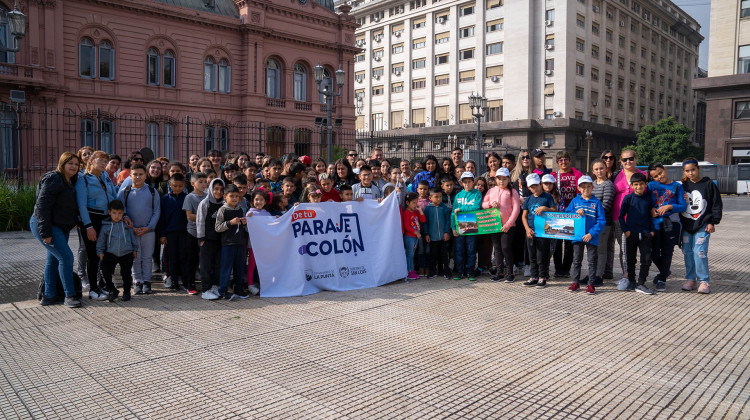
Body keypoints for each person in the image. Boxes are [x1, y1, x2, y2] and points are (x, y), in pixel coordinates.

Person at [31, 152, 82, 308]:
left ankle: (49, 295)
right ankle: (69, 295)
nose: (73, 166)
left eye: (76, 164)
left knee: (53, 259)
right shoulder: (54, 178)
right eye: (70, 163)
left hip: (60, 226)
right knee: (66, 257)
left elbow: (66, 205)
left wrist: (74, 221)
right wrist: (45, 232)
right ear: (62, 164)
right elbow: (42, 206)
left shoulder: (70, 180)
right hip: (47, 225)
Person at [76, 150, 119, 301]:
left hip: (106, 218)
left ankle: (104, 284)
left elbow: (113, 195)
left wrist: (120, 214)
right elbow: (81, 205)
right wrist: (88, 226)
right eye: (100, 160)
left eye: (105, 161)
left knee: (105, 254)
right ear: (91, 161)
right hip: (91, 218)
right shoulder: (83, 178)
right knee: (93, 255)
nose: (104, 164)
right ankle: (93, 288)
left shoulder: (105, 176)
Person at [679, 158, 723, 294]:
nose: (690, 173)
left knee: (700, 252)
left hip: (703, 225)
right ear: (684, 172)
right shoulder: (682, 186)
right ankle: (691, 279)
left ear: (698, 168)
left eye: (693, 169)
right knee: (687, 253)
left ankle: (704, 281)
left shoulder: (709, 185)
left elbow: (716, 204)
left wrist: (713, 221)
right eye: (687, 171)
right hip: (686, 227)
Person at [118, 163, 160, 295]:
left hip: (149, 232)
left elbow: (156, 211)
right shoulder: (125, 192)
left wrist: (148, 227)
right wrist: (131, 226)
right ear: (130, 176)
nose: (138, 177)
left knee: (147, 257)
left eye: (140, 174)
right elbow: (121, 210)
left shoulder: (152, 192)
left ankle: (147, 281)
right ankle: (137, 281)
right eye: (135, 174)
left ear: (145, 175)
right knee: (135, 256)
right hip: (131, 231)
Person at [647, 162, 687, 292]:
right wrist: (651, 209)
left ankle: (662, 279)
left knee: (667, 252)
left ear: (665, 169)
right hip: (655, 224)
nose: (659, 177)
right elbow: (646, 202)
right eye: (655, 176)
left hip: (672, 224)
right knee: (652, 253)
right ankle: (665, 271)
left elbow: (683, 206)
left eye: (660, 173)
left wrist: (670, 206)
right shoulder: (651, 185)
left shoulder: (677, 186)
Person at [611, 149, 647, 289]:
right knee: (623, 249)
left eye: (631, 158)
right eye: (624, 160)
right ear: (620, 161)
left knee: (640, 249)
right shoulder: (616, 175)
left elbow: (653, 193)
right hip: (619, 218)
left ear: (636, 159)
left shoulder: (643, 175)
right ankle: (626, 276)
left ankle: (639, 276)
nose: (628, 162)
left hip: (638, 219)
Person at [565, 176, 606, 295]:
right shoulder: (575, 201)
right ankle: (575, 282)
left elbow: (601, 221)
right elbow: (567, 215)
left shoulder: (597, 203)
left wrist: (591, 234)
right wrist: (575, 212)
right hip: (577, 236)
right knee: (577, 260)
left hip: (591, 237)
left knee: (592, 261)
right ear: (579, 188)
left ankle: (591, 284)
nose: (586, 189)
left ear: (592, 187)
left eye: (589, 186)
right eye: (583, 187)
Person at [618, 172, 655, 294]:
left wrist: (652, 231)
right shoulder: (628, 198)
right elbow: (621, 216)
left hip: (645, 233)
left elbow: (651, 216)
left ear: (646, 184)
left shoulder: (649, 198)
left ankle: (641, 283)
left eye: (641, 184)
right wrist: (626, 230)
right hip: (631, 233)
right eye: (636, 184)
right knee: (630, 259)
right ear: (632, 185)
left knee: (646, 259)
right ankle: (632, 282)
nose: (639, 187)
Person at [482, 168, 520, 282]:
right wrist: (490, 204)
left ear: (508, 179)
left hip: (508, 226)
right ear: (495, 179)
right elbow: (483, 204)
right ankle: (500, 272)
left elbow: (516, 209)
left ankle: (510, 273)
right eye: (499, 179)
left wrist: (508, 224)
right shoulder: (491, 190)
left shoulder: (513, 192)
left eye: (504, 179)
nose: (501, 182)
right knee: (497, 249)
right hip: (494, 224)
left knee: (505, 248)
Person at [96, 200, 138, 302]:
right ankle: (112, 289)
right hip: (110, 253)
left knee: (126, 274)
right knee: (105, 271)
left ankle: (127, 292)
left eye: (120, 213)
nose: (117, 216)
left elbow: (132, 237)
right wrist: (100, 251)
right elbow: (101, 240)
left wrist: (135, 249)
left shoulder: (126, 225)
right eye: (114, 213)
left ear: (123, 213)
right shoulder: (105, 226)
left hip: (126, 253)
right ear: (109, 212)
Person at [551, 150, 583, 278]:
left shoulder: (577, 174)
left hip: (572, 213)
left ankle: (566, 269)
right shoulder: (554, 176)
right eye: (560, 160)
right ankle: (558, 269)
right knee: (557, 243)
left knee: (570, 243)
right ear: (557, 162)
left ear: (570, 160)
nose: (563, 162)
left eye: (566, 159)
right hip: (557, 214)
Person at [215, 184, 249, 300]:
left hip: (240, 243)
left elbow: (244, 227)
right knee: (226, 268)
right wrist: (230, 223)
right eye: (231, 196)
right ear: (225, 196)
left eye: (236, 196)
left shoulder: (240, 209)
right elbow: (217, 227)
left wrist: (244, 222)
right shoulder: (222, 210)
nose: (234, 198)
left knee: (240, 267)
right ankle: (223, 291)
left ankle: (238, 289)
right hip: (228, 244)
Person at [522, 173, 555, 288]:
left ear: (540, 184)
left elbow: (554, 210)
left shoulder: (547, 197)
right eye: (531, 187)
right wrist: (527, 229)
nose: (534, 188)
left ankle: (543, 277)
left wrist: (545, 208)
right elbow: (524, 215)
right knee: (532, 255)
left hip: (543, 231)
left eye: (536, 185)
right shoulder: (528, 199)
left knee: (542, 255)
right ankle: (534, 276)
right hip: (531, 231)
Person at [157, 173, 188, 291]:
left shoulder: (187, 198)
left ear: (184, 185)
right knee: (172, 257)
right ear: (170, 184)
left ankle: (185, 281)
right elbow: (162, 218)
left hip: (184, 233)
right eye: (175, 186)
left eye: (180, 186)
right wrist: (162, 234)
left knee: (183, 257)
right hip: (170, 233)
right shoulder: (165, 199)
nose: (178, 188)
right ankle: (174, 280)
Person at [196, 178, 225, 300]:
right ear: (211, 189)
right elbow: (200, 221)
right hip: (207, 240)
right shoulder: (205, 203)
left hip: (220, 240)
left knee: (218, 264)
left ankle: (214, 286)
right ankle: (205, 289)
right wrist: (201, 238)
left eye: (221, 189)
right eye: (216, 189)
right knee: (205, 266)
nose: (218, 192)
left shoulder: (224, 204)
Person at [452, 171, 482, 281]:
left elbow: (476, 208)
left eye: (469, 182)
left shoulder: (477, 194)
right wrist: (453, 227)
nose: (467, 184)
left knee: (471, 250)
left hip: (472, 225)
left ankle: (470, 271)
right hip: (459, 226)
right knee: (459, 250)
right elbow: (453, 213)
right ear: (461, 183)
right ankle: (460, 271)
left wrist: (462, 209)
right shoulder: (458, 195)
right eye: (464, 182)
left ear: (473, 182)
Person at [591, 159, 615, 287]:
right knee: (592, 250)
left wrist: (591, 215)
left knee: (601, 249)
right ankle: (592, 273)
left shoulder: (608, 185)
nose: (599, 171)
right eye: (596, 169)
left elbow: (605, 205)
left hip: (604, 222)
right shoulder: (592, 184)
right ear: (593, 171)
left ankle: (599, 275)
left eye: (601, 168)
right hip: (591, 223)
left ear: (606, 169)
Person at [183, 172, 207, 295]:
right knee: (191, 260)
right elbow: (189, 215)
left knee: (204, 260)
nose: (204, 184)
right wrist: (204, 217)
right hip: (192, 232)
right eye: (200, 182)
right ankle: (190, 284)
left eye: (205, 181)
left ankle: (206, 283)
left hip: (206, 233)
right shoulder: (189, 197)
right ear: (193, 184)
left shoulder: (208, 196)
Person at [245, 190, 272, 296]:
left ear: (265, 202)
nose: (259, 202)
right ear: (252, 201)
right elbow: (247, 230)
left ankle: (265, 283)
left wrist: (278, 219)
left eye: (261, 200)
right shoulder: (250, 213)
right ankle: (250, 285)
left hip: (265, 245)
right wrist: (249, 219)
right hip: (253, 245)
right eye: (256, 199)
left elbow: (272, 227)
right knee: (252, 265)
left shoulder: (267, 214)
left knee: (265, 265)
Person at [75, 146, 94, 289]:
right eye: (84, 154)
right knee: (83, 247)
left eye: (90, 154)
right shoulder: (79, 174)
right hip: (83, 215)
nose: (87, 156)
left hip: (96, 214)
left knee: (96, 246)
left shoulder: (97, 173)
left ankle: (95, 273)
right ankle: (82, 275)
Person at [424, 188, 452, 279]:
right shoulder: (428, 209)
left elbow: (448, 221)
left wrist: (446, 232)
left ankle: (445, 271)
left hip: (443, 237)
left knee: (444, 255)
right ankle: (432, 271)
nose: (439, 199)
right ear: (430, 198)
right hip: (433, 237)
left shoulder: (444, 208)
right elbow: (425, 222)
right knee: (433, 255)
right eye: (436, 197)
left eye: (440, 196)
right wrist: (427, 234)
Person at [402, 192, 425, 281]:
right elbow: (407, 226)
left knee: (412, 254)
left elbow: (423, 220)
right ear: (407, 203)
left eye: (416, 202)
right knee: (410, 254)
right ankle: (409, 271)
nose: (416, 205)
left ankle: (412, 270)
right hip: (410, 237)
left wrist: (420, 210)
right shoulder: (406, 213)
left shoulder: (415, 211)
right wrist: (416, 233)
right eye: (414, 203)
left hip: (415, 237)